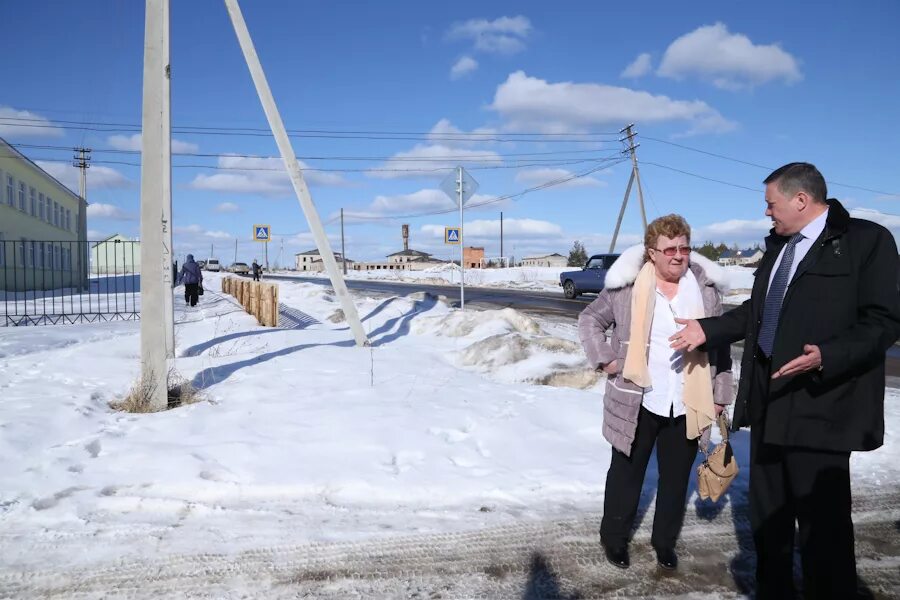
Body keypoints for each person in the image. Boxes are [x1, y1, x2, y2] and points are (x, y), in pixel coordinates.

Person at [670, 163, 900, 598]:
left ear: (800, 199)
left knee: (823, 529)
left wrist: (828, 354)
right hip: (770, 402)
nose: (766, 213)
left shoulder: (866, 241)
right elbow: (757, 313)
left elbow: (884, 320)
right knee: (768, 519)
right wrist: (707, 328)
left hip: (824, 405)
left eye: (770, 204)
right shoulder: (780, 247)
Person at [578, 214, 733, 571]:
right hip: (638, 398)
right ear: (651, 253)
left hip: (687, 401)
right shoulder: (627, 287)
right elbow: (590, 320)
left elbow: (720, 346)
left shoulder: (706, 291)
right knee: (626, 475)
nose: (679, 256)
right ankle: (614, 538)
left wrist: (721, 392)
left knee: (676, 480)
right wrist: (606, 360)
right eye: (670, 249)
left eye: (684, 247)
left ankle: (664, 542)